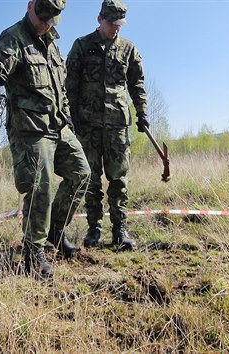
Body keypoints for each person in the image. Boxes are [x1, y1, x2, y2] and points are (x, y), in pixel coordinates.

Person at [0, 0, 91, 277]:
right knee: (41, 185)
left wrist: (69, 118)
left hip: (59, 126)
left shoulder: (52, 43)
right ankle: (33, 251)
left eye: (51, 20)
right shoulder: (14, 37)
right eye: (42, 16)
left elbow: (60, 88)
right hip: (31, 129)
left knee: (81, 173)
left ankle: (56, 229)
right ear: (30, 5)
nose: (45, 24)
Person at [65, 0, 149, 251]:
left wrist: (142, 112)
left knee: (118, 179)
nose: (116, 29)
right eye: (112, 23)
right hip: (87, 124)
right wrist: (71, 117)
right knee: (91, 179)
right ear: (100, 19)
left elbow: (137, 85)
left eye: (119, 25)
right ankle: (94, 229)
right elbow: (70, 84)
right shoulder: (81, 46)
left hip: (117, 125)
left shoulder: (128, 49)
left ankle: (120, 230)